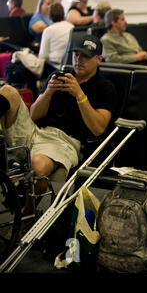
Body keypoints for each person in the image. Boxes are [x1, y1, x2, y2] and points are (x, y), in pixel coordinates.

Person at [0, 34, 117, 214]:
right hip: (38, 132)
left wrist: (80, 95)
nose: (79, 60)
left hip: (65, 142)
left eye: (85, 56)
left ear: (98, 59)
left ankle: (28, 212)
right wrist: (48, 92)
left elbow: (98, 128)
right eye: (76, 54)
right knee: (8, 91)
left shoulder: (105, 87)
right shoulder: (58, 77)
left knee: (37, 165)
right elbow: (34, 115)